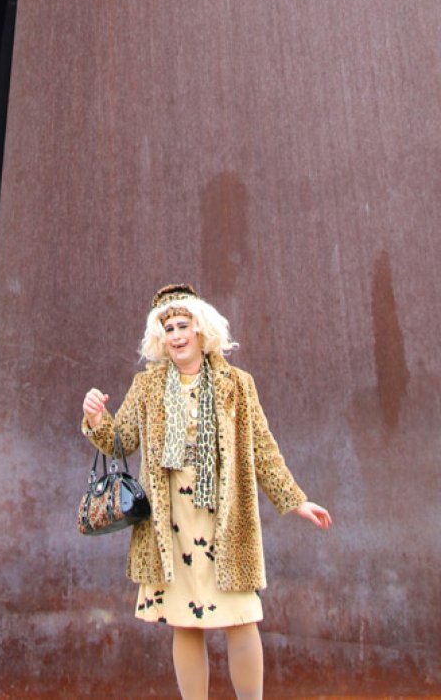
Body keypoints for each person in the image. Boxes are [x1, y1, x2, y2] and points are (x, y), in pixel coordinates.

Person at [82, 283, 331, 700]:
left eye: (183, 325)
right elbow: (118, 440)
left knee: (241, 617)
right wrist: (94, 418)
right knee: (184, 621)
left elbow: (263, 448)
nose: (175, 335)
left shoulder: (237, 384)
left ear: (201, 330)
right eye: (167, 328)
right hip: (170, 521)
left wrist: (295, 499)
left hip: (225, 516)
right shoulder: (147, 387)